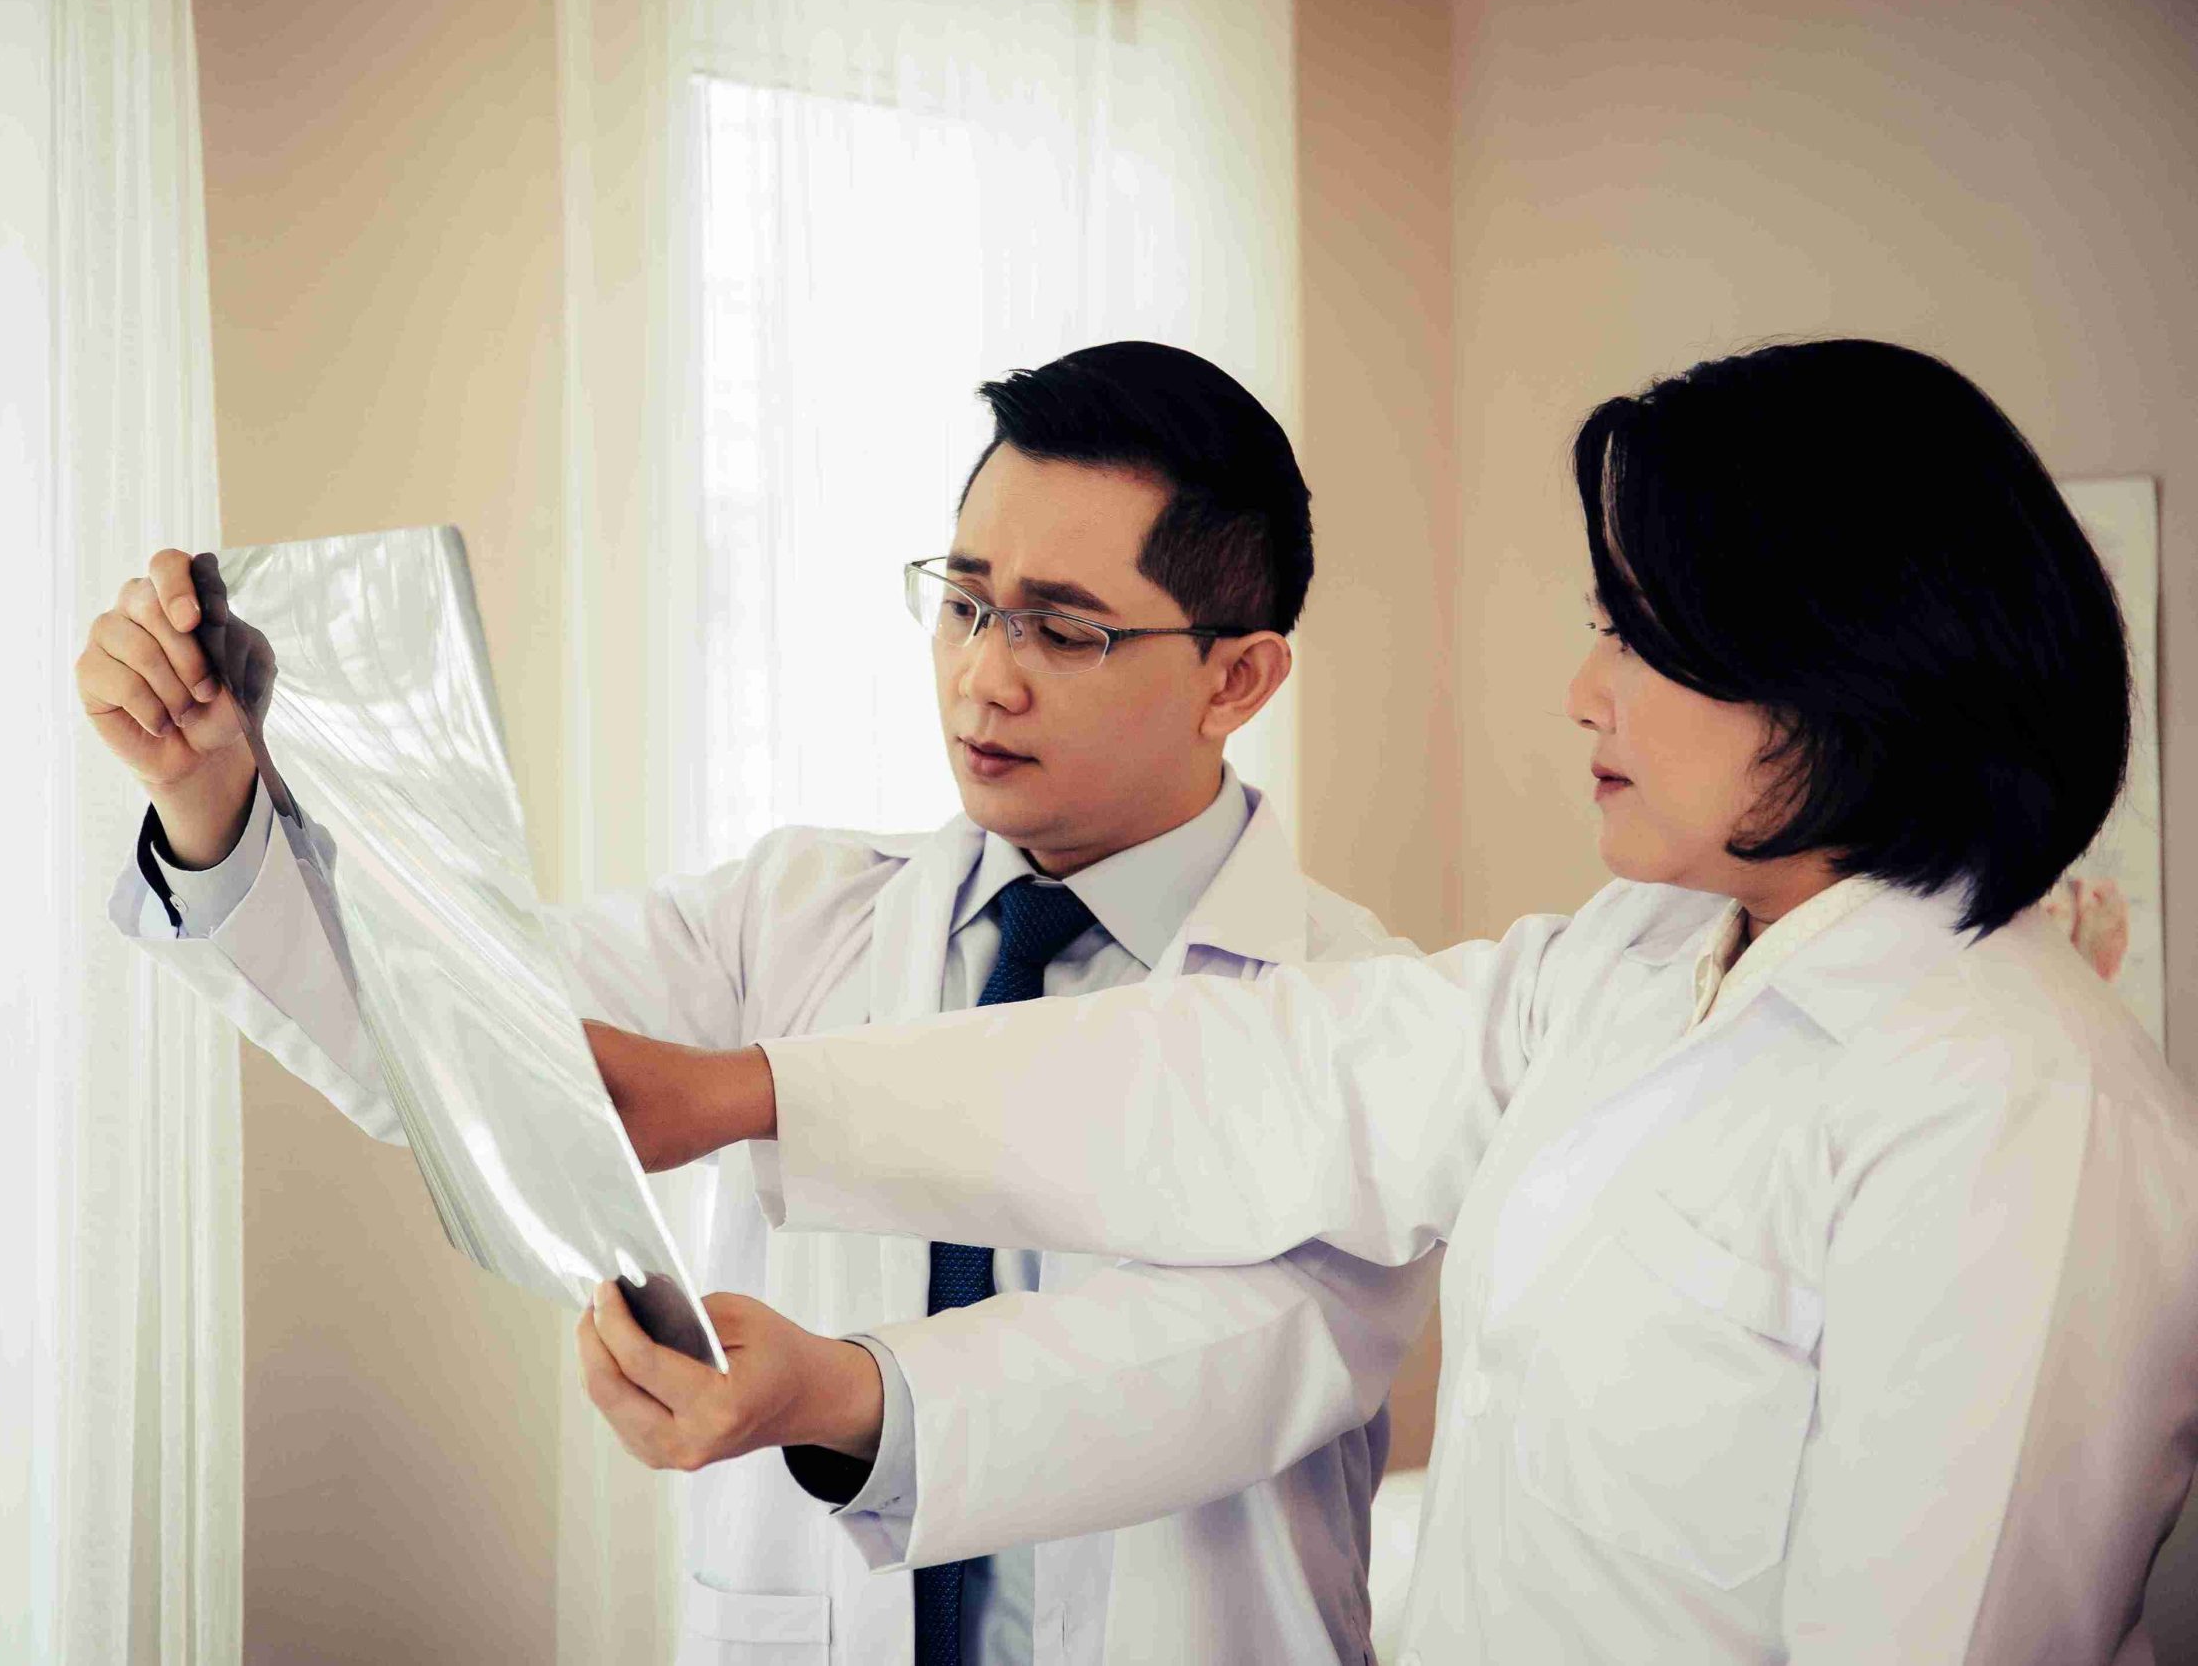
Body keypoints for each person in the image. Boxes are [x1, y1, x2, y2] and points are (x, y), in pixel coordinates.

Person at [576, 339, 2198, 1663]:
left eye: (1646, 637)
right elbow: (1247, 1083)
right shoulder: (1630, 966)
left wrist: (835, 1350)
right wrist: (752, 1094)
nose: (1584, 691)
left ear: (1852, 667)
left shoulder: (2015, 1108)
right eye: (1599, 626)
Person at [75, 341, 1437, 1665]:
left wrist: (838, 1395)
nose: (984, 675)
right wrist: (213, 801)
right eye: (965, 602)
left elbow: (1232, 1374)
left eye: (1064, 631)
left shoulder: (1358, 1013)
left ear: (1237, 679)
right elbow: (465, 1045)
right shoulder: (794, 911)